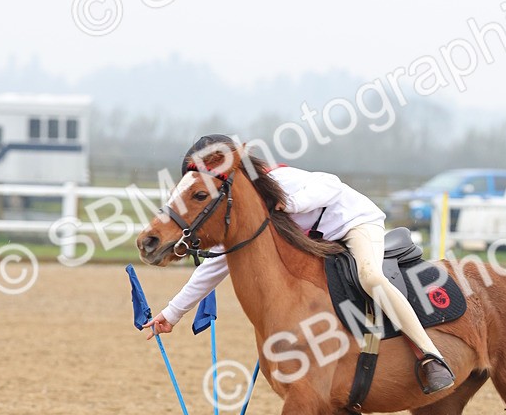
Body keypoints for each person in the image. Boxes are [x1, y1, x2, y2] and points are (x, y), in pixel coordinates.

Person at [144, 138, 455, 394]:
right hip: (318, 242)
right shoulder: (244, 210)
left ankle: (431, 355)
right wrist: (172, 314)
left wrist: (290, 204)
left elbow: (331, 185)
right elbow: (218, 263)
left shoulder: (280, 181)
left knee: (370, 276)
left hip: (355, 225)